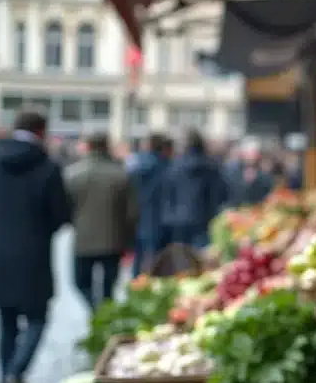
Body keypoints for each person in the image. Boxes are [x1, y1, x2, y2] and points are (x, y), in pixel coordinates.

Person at [0, 111, 72, 383]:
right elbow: (61, 215)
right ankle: (14, 373)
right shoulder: (48, 166)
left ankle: (5, 381)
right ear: (41, 130)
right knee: (38, 318)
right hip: (34, 254)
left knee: (6, 322)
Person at [65, 133, 138, 310]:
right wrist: (128, 238)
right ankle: (103, 313)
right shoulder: (120, 174)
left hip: (83, 239)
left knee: (81, 283)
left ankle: (95, 310)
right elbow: (132, 212)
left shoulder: (73, 174)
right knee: (109, 286)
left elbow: (64, 208)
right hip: (113, 239)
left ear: (87, 147)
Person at [163, 129, 226, 248]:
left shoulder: (175, 166)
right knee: (201, 257)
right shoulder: (211, 166)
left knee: (181, 257)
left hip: (178, 219)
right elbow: (217, 194)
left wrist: (169, 216)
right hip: (203, 218)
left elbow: (168, 193)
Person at [129, 134, 173, 275]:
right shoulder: (166, 167)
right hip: (161, 217)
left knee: (139, 257)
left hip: (139, 216)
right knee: (157, 257)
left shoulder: (135, 166)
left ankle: (136, 284)